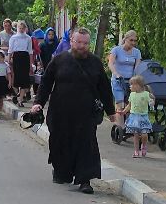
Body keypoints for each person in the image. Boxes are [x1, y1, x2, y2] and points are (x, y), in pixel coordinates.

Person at [32, 27, 113, 193]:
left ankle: (85, 180)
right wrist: (38, 102)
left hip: (86, 114)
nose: (82, 46)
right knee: (59, 142)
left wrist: (111, 111)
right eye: (78, 43)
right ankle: (63, 172)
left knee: (86, 145)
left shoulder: (95, 62)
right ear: (71, 42)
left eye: (85, 43)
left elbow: (104, 87)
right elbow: (46, 82)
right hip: (60, 112)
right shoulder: (59, 59)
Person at [108, 30, 142, 130]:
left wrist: (136, 78)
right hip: (118, 81)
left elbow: (137, 67)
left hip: (131, 82)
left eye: (135, 41)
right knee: (120, 104)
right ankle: (121, 128)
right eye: (131, 40)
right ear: (125, 39)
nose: (133, 43)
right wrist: (117, 74)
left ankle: (129, 125)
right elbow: (111, 63)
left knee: (130, 104)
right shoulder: (116, 50)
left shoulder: (136, 52)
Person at [122, 74, 156, 158]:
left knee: (144, 134)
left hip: (143, 117)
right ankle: (136, 150)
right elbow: (129, 105)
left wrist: (152, 102)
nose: (130, 86)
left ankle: (143, 146)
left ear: (137, 85)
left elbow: (152, 100)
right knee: (136, 135)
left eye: (131, 84)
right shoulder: (132, 95)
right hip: (134, 117)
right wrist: (124, 111)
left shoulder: (146, 94)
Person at [7, 21, 34, 100]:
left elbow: (30, 51)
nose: (21, 30)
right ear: (17, 28)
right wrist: (9, 59)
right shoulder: (14, 37)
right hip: (17, 57)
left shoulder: (28, 38)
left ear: (25, 28)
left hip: (25, 57)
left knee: (24, 78)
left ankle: (21, 99)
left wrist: (31, 63)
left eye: (23, 28)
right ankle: (16, 93)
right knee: (16, 76)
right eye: (20, 28)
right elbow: (10, 49)